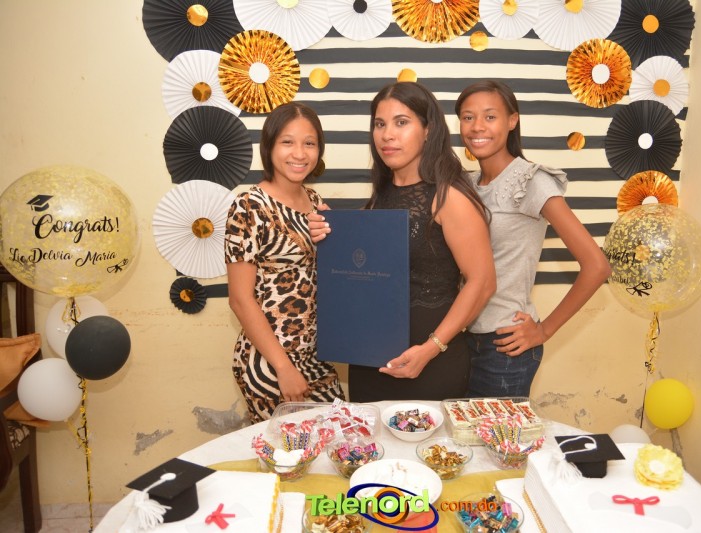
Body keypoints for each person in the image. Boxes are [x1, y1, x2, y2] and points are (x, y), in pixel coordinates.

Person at [312, 81, 496, 401]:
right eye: (379, 124)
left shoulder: (449, 197)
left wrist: (430, 348)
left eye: (401, 122)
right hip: (370, 362)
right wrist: (331, 231)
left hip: (431, 363)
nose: (387, 135)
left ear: (428, 130)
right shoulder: (380, 196)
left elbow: (482, 283)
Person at [455, 80, 611, 398]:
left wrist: (544, 330)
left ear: (512, 121)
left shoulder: (531, 181)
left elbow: (597, 266)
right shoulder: (466, 184)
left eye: (490, 116)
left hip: (505, 347)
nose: (477, 126)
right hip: (461, 340)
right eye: (468, 117)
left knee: (498, 432)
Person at [225, 101, 344, 422]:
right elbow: (239, 299)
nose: (300, 153)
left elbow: (336, 272)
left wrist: (339, 236)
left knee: (336, 440)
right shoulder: (249, 206)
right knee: (287, 451)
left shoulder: (316, 202)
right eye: (287, 142)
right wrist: (283, 367)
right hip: (270, 361)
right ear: (269, 146)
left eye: (310, 143)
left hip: (315, 355)